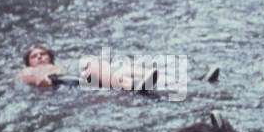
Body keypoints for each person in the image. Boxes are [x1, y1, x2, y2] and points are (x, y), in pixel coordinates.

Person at [16, 43, 158, 91]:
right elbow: (31, 77)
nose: (40, 57)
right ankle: (132, 83)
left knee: (109, 67)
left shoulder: (58, 65)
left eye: (43, 54)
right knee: (97, 67)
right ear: (29, 62)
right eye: (34, 56)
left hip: (73, 68)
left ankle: (146, 75)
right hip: (67, 76)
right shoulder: (28, 70)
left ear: (50, 57)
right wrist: (39, 80)